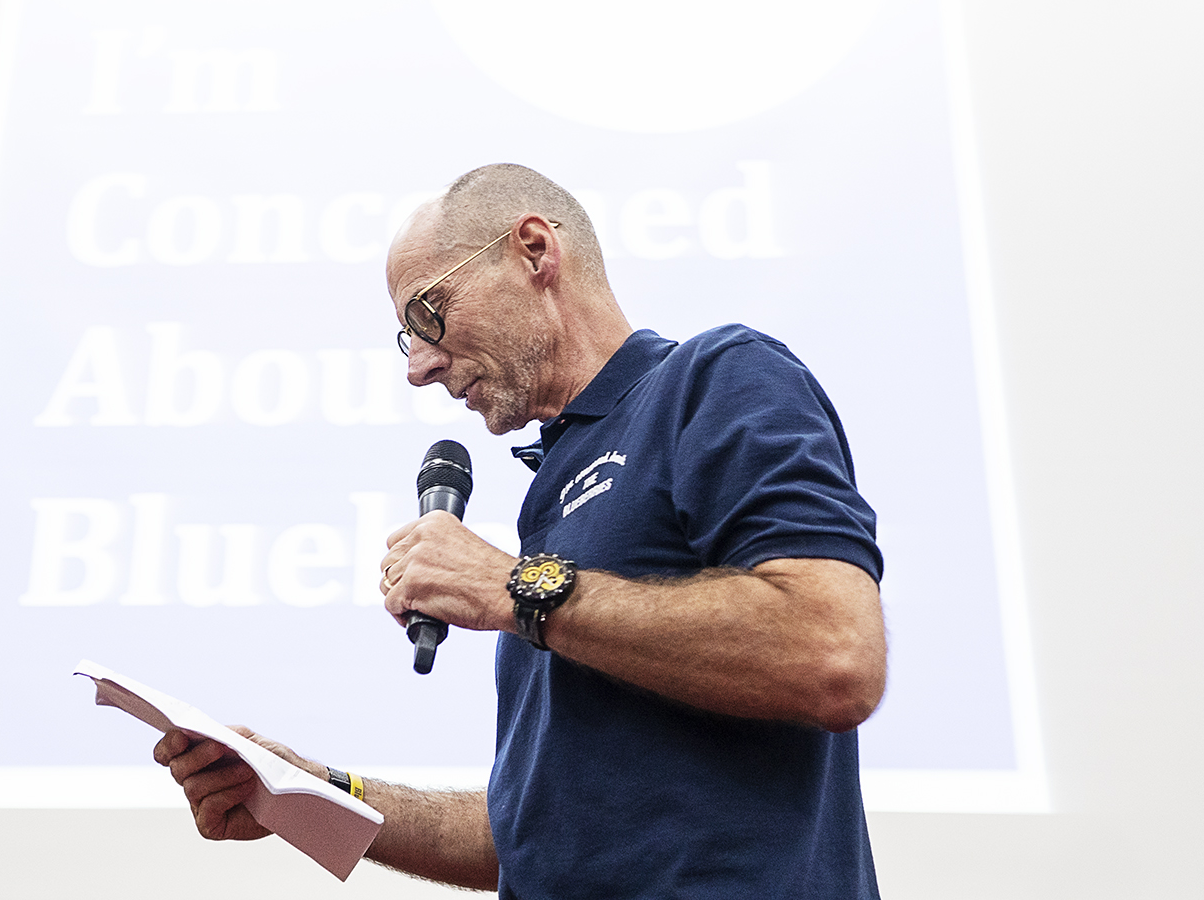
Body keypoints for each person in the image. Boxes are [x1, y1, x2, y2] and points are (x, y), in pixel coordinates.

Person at [154, 163, 887, 898]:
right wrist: (304, 791)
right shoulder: (554, 489)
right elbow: (533, 834)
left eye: (429, 313)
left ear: (534, 251)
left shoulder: (716, 378)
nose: (419, 367)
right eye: (404, 335)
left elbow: (833, 651)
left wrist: (512, 586)